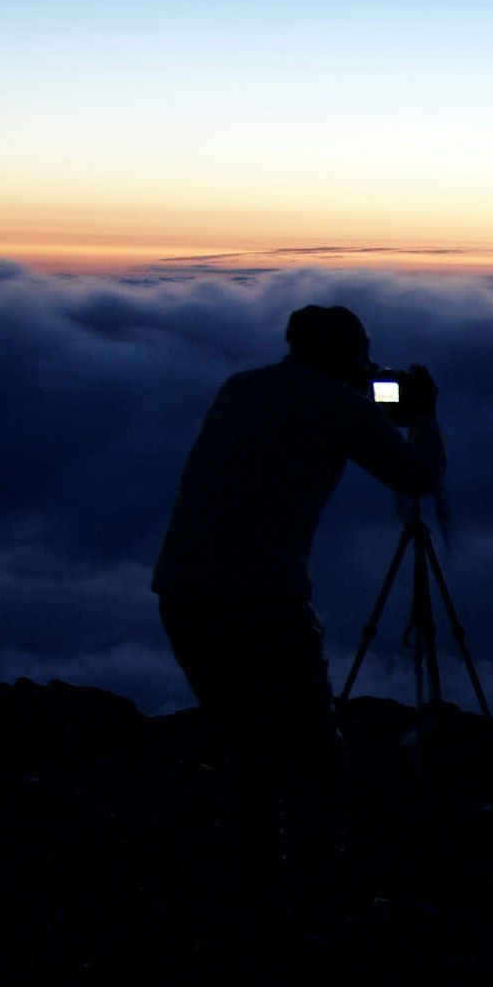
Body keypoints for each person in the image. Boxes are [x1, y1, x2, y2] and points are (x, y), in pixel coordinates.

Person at [151, 303, 444, 872]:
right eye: (362, 352)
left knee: (248, 751)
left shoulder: (240, 387)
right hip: (262, 601)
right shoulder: (338, 405)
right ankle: (314, 903)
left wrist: (364, 396)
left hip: (183, 592)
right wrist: (425, 416)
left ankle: (255, 892)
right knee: (315, 760)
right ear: (349, 352)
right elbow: (417, 476)